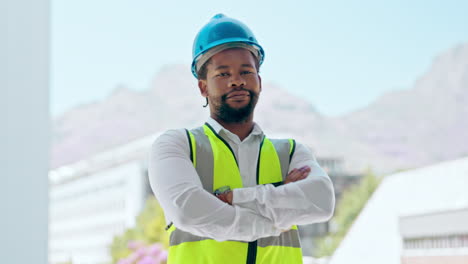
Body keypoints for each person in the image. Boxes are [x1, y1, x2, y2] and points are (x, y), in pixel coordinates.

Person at [148, 14, 335, 264]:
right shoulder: (178, 146)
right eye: (223, 74)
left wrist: (237, 199)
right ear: (203, 87)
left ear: (259, 81)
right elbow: (187, 212)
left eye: (246, 71)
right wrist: (276, 209)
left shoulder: (290, 152)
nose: (236, 80)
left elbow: (321, 202)